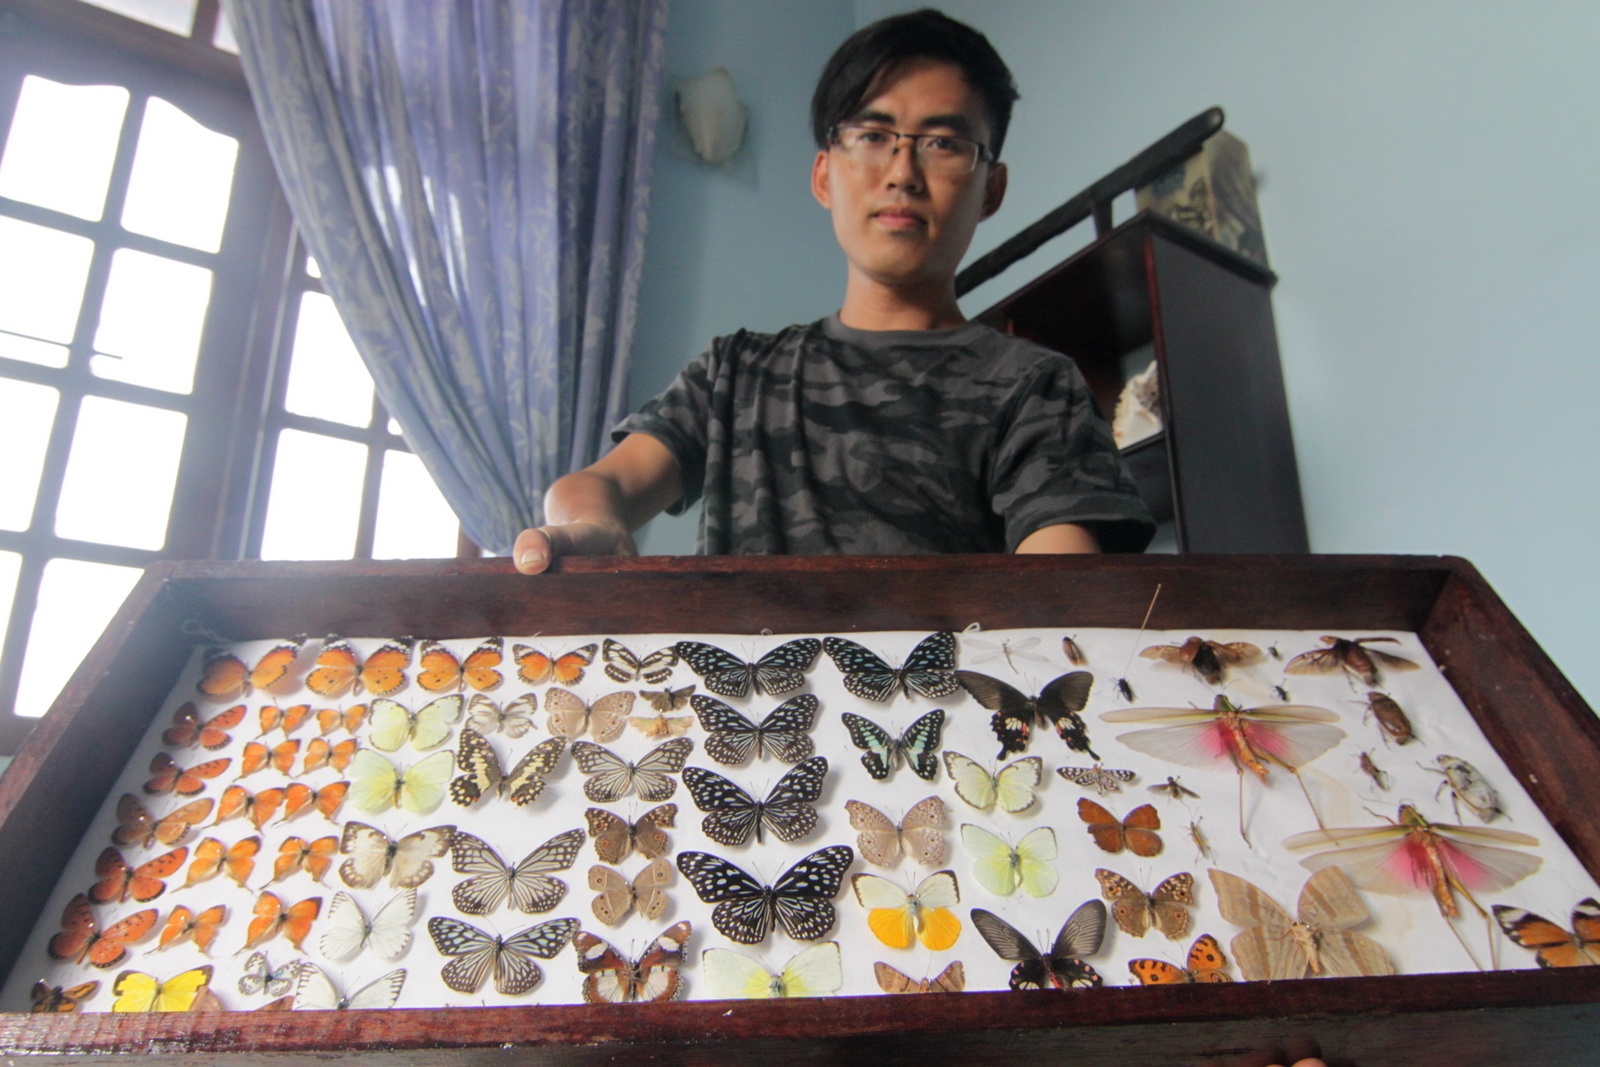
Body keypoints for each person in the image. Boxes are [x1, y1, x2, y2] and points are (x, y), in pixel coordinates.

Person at [514, 8, 1154, 574]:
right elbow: (601, 487)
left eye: (943, 143)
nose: (902, 173)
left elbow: (1061, 588)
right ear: (824, 175)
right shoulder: (734, 374)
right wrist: (595, 526)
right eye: (872, 136)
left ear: (992, 188)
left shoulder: (1036, 387)